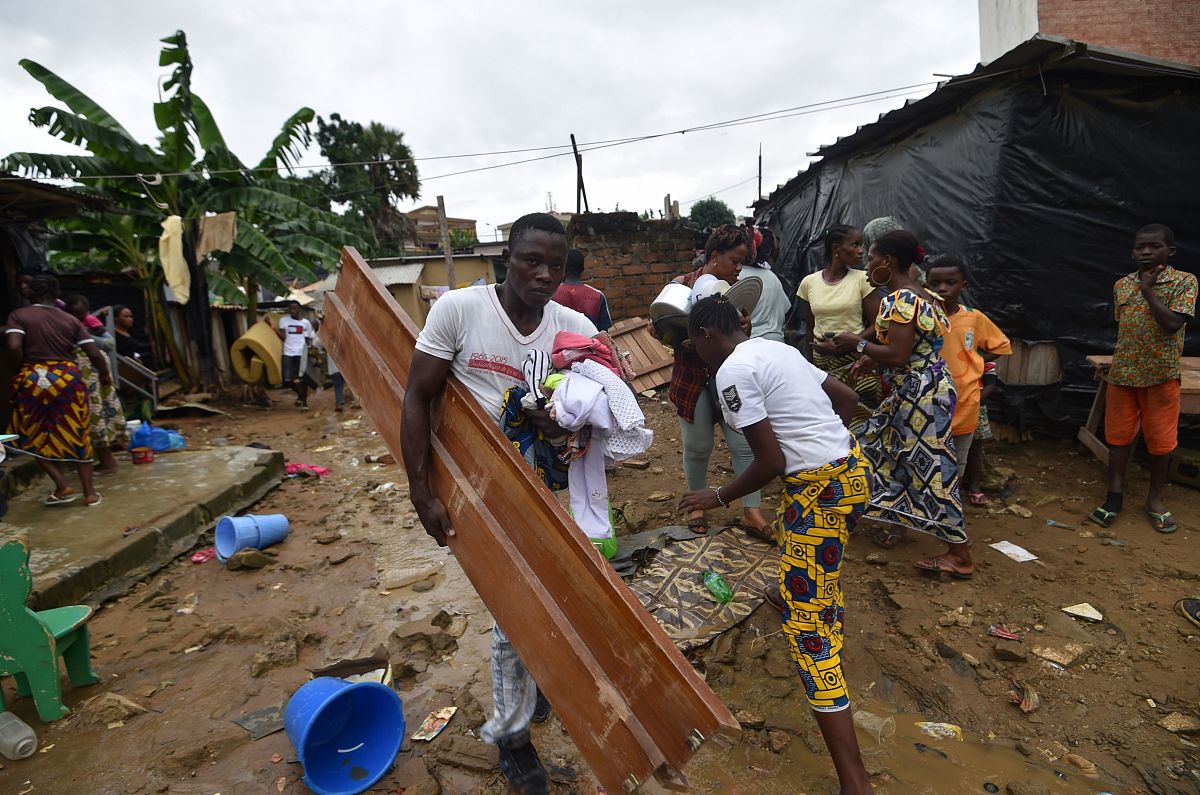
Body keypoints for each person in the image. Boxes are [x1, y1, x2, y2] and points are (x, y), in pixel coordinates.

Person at [401, 212, 596, 795]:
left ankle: (529, 694)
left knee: (551, 592)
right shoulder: (459, 311)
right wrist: (420, 489)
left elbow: (592, 419)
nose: (543, 274)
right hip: (478, 488)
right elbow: (416, 395)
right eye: (530, 261)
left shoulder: (571, 326)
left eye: (554, 265)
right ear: (504, 259)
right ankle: (512, 738)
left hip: (546, 485)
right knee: (514, 611)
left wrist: (559, 419)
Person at [678, 293, 873, 795]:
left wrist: (716, 495)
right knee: (803, 545)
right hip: (851, 474)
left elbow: (770, 464)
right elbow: (848, 401)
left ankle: (855, 782)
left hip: (818, 490)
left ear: (704, 336)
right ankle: (799, 589)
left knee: (810, 632)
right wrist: (825, 450)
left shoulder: (730, 373)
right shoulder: (778, 349)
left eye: (693, 344)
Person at [824, 231, 973, 577]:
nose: (867, 263)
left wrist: (856, 345)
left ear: (888, 261)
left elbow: (899, 353)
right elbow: (913, 348)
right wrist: (872, 360)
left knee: (932, 469)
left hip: (920, 396)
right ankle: (858, 512)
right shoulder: (924, 296)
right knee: (876, 448)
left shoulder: (901, 300)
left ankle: (961, 556)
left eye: (872, 258)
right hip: (921, 389)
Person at [1090, 224, 1195, 534]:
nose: (1146, 252)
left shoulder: (1184, 282)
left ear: (1170, 251)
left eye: (1154, 246)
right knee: (1118, 438)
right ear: (1132, 252)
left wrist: (1148, 291)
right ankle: (1114, 497)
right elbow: (1126, 328)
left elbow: (1173, 324)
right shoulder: (1122, 285)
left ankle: (1155, 500)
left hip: (1161, 376)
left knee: (1161, 442)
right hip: (1123, 375)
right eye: (1140, 247)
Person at [667, 224, 770, 538]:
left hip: (730, 381)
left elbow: (739, 342)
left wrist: (745, 327)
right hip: (692, 378)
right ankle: (698, 504)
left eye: (742, 262)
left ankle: (752, 510)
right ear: (713, 256)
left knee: (744, 445)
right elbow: (660, 329)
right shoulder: (681, 286)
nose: (738, 268)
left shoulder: (734, 294)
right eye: (734, 261)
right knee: (698, 447)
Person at [5, 274, 111, 507]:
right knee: (78, 431)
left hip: (33, 377)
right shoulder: (70, 320)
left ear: (32, 292)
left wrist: (18, 371)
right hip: (67, 378)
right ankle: (90, 493)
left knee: (32, 433)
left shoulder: (19, 316)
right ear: (57, 294)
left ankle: (62, 486)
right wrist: (104, 374)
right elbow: (94, 354)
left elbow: (13, 347)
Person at [924, 258, 1011, 503]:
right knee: (931, 452)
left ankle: (950, 504)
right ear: (925, 286)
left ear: (964, 285)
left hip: (966, 402)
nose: (943, 288)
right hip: (930, 400)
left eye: (950, 282)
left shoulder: (974, 318)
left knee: (959, 457)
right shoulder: (924, 318)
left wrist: (975, 359)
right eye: (935, 283)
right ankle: (932, 502)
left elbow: (1002, 345)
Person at [799, 225, 882, 420]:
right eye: (854, 245)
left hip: (857, 364)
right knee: (828, 420)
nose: (861, 251)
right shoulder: (809, 283)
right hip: (823, 364)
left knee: (861, 421)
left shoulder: (862, 279)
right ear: (836, 249)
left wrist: (848, 343)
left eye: (861, 245)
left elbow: (879, 324)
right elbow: (809, 329)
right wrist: (810, 368)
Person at [64, 294, 127, 475]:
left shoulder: (83, 326)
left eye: (80, 315)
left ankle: (107, 463)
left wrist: (104, 372)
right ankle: (106, 462)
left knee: (95, 415)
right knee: (97, 414)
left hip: (93, 374)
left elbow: (107, 344)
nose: (78, 319)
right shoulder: (75, 325)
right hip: (93, 373)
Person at [737, 227, 791, 342]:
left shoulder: (734, 277)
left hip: (748, 343)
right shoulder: (773, 277)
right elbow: (784, 311)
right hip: (776, 343)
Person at [551, 249, 613, 331]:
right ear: (582, 269)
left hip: (555, 343)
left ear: (563, 268)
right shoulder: (598, 296)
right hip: (588, 343)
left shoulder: (550, 293)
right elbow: (603, 333)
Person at [275, 300, 314, 408]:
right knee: (287, 380)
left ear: (299, 309)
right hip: (287, 353)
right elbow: (283, 337)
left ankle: (304, 403)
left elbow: (310, 338)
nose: (292, 311)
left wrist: (311, 351)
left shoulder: (305, 323)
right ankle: (301, 396)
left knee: (302, 379)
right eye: (290, 309)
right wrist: (273, 328)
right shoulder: (283, 320)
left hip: (302, 353)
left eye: (294, 308)